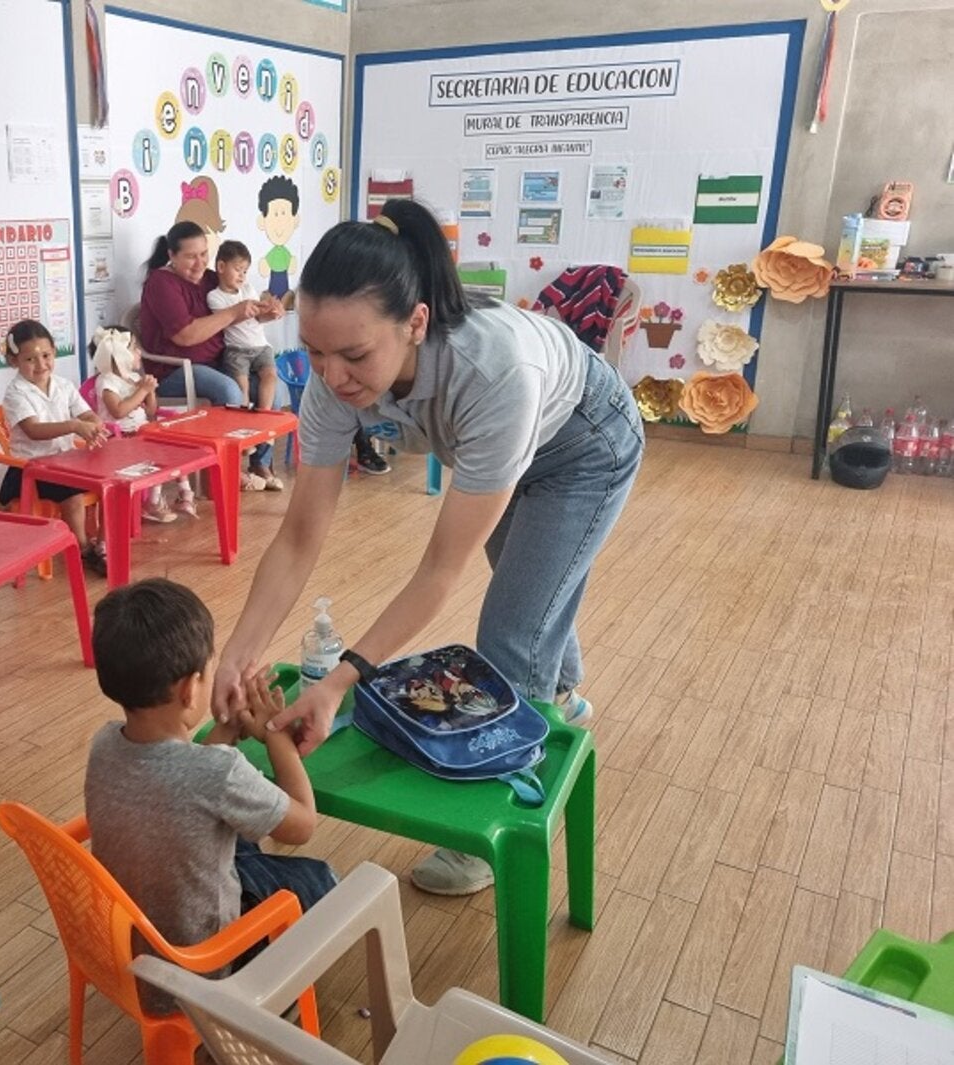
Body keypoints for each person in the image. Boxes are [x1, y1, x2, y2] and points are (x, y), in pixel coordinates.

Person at [211, 201, 644, 897]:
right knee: (529, 589)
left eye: (354, 356)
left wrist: (338, 684)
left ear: (415, 322)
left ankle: (490, 820)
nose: (332, 377)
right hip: (509, 444)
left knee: (510, 628)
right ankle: (563, 691)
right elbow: (298, 536)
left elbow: (440, 570)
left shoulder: (492, 367)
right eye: (315, 354)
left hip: (585, 443)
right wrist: (240, 649)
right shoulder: (331, 384)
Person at [85, 579, 336, 1012]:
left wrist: (230, 731)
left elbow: (178, 781)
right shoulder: (218, 773)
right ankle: (272, 1005)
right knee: (322, 881)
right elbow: (303, 825)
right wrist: (274, 731)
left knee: (240, 838)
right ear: (190, 689)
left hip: (129, 950)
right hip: (205, 970)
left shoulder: (104, 744)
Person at [137, 221, 285, 491]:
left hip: (220, 362)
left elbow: (241, 305)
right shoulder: (161, 283)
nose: (199, 263)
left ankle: (259, 462)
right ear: (171, 255)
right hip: (173, 371)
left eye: (204, 254)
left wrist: (265, 311)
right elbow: (185, 335)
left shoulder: (209, 278)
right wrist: (234, 312)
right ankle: (227, 472)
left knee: (273, 390)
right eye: (191, 256)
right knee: (229, 391)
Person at [0, 319, 111, 575]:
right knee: (70, 495)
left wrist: (94, 424)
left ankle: (101, 545)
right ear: (14, 362)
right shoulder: (16, 392)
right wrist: (73, 426)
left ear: (54, 353)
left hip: (65, 462)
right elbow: (33, 430)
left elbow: (86, 414)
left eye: (46, 355)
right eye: (30, 360)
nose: (41, 365)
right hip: (31, 469)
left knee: (109, 483)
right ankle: (82, 549)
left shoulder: (63, 385)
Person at [89, 325, 196, 522]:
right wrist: (142, 391)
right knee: (157, 453)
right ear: (117, 355)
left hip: (140, 433)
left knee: (177, 448)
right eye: (134, 348)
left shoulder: (134, 378)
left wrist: (150, 390)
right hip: (117, 439)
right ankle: (154, 503)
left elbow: (151, 411)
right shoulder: (106, 382)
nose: (139, 352)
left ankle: (184, 494)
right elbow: (118, 411)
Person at [208, 241, 284, 488]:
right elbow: (230, 319)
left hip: (260, 347)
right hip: (237, 352)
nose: (242, 275)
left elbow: (257, 318)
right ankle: (246, 436)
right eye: (238, 269)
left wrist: (270, 313)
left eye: (245, 270)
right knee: (240, 389)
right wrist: (248, 308)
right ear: (221, 266)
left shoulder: (249, 289)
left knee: (271, 378)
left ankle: (263, 425)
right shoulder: (215, 297)